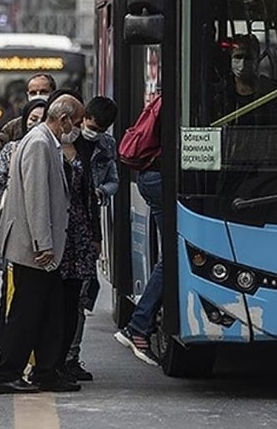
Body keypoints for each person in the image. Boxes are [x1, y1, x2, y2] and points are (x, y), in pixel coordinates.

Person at [0, 94, 84, 394]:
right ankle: (8, 373)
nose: (78, 129)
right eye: (77, 122)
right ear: (64, 119)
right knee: (26, 312)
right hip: (34, 248)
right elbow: (36, 197)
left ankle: (45, 371)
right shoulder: (39, 143)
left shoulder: (46, 142)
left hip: (40, 247)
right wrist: (43, 243)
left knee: (48, 311)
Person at [0, 98, 47, 360]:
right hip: (15, 235)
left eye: (42, 120)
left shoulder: (60, 150)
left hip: (47, 241)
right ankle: (5, 356)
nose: (37, 124)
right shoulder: (11, 150)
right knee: (11, 298)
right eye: (33, 119)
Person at [114, 94, 164, 366]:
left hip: (152, 177)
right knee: (175, 256)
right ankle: (138, 326)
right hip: (159, 179)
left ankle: (139, 325)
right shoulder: (182, 99)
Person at [57, 100, 105, 383]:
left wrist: (96, 236)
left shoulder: (87, 150)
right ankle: (50, 359)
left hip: (81, 235)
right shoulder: (44, 147)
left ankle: (69, 358)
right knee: (56, 301)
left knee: (77, 300)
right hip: (57, 236)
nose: (79, 129)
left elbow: (90, 196)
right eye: (77, 123)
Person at [0, 73, 58, 177]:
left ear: (53, 94)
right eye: (33, 93)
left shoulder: (62, 125)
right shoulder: (12, 127)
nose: (38, 95)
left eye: (43, 92)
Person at [213, 35, 277, 126]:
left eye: (248, 58)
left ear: (257, 58)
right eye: (238, 57)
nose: (243, 63)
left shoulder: (272, 92)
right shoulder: (220, 94)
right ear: (230, 58)